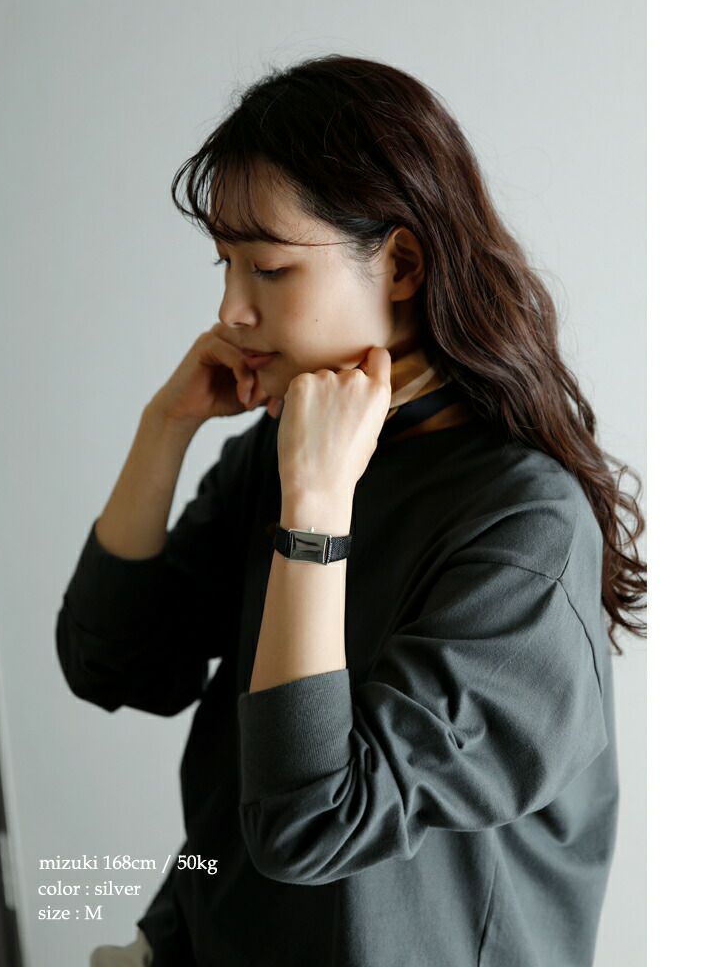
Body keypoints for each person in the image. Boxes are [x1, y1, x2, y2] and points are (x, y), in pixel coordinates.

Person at [57, 54, 646, 967]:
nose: (231, 309)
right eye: (225, 266)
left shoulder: (524, 526)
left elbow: (311, 825)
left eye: (270, 268)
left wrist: (316, 510)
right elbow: (113, 664)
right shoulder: (289, 452)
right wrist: (165, 426)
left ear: (401, 263)